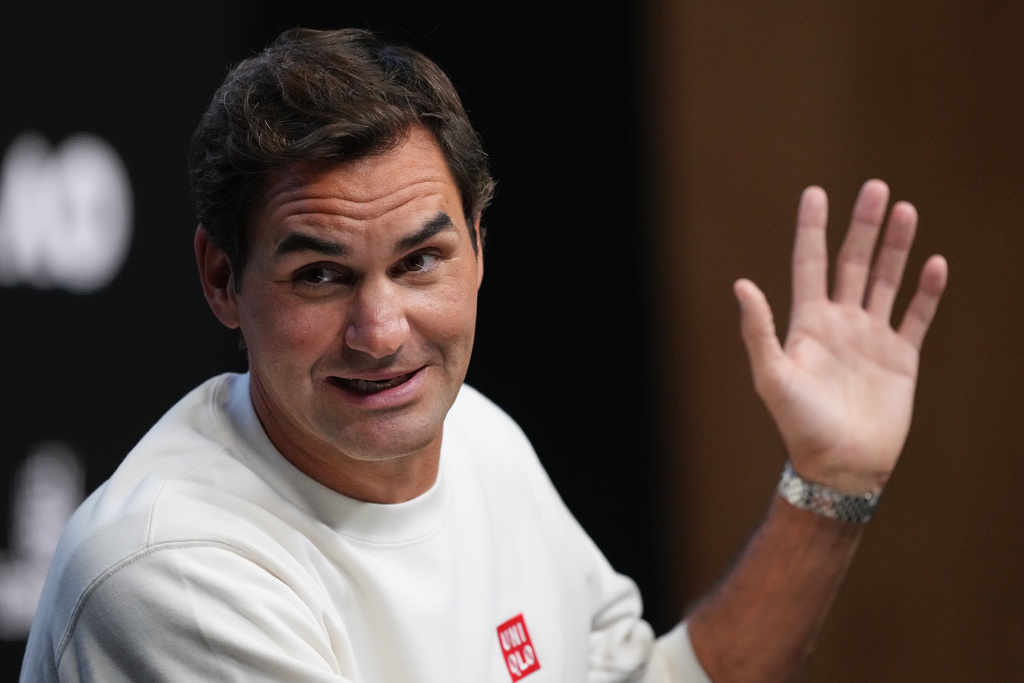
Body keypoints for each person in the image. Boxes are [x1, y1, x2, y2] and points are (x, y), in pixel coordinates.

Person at [20, 28, 947, 682]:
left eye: (420, 260)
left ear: (479, 248)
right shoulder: (169, 570)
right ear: (222, 279)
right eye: (320, 276)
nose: (381, 332)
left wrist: (830, 482)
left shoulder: (481, 440)